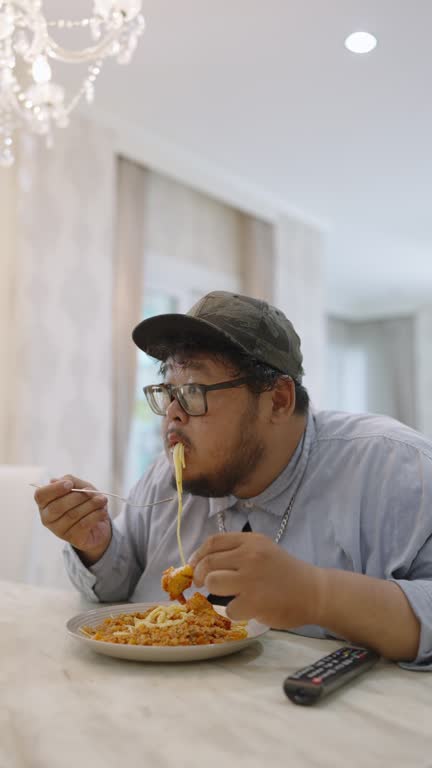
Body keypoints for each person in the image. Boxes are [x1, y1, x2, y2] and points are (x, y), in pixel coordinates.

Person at [34, 290, 432, 667]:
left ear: (277, 399)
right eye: (168, 392)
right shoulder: (167, 476)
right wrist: (96, 544)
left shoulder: (393, 468)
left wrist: (319, 594)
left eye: (192, 391)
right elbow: (118, 584)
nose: (172, 413)